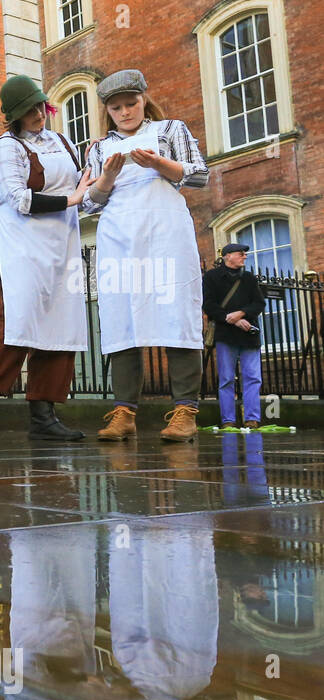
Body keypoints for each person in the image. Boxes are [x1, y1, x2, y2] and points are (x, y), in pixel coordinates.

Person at [0, 75, 94, 442]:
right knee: (16, 323)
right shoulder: (6, 147)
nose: (38, 114)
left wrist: (103, 180)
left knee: (59, 324)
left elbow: (85, 191)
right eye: (29, 110)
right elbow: (17, 199)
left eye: (40, 106)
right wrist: (71, 200)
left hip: (61, 245)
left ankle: (43, 414)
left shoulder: (61, 141)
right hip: (23, 247)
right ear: (14, 115)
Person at [81, 69, 210, 443]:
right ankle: (125, 412)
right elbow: (89, 204)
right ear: (107, 110)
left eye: (131, 104)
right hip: (119, 236)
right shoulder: (99, 148)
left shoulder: (170, 130)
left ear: (143, 100)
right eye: (116, 107)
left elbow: (199, 175)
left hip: (166, 233)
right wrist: (106, 176)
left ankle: (185, 411)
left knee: (177, 313)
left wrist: (157, 164)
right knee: (122, 318)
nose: (124, 112)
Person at [203, 242, 265, 429]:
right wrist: (232, 319)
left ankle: (252, 418)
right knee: (226, 378)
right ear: (227, 256)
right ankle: (228, 420)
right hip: (225, 334)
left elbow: (259, 304)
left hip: (249, 335)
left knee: (253, 377)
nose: (244, 257)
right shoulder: (211, 277)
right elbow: (209, 305)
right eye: (241, 254)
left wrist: (242, 313)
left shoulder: (248, 278)